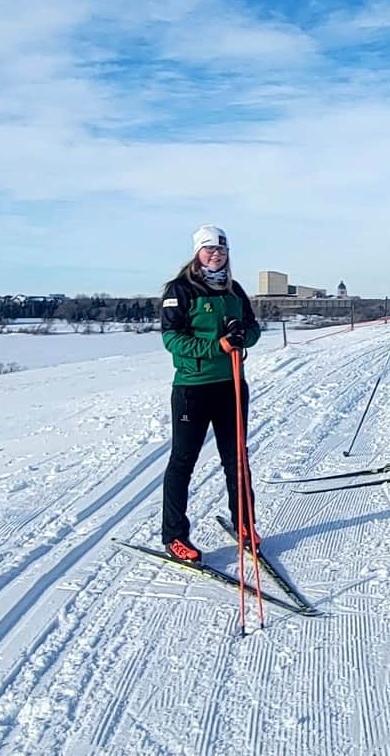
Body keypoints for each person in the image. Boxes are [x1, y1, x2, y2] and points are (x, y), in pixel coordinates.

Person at [158, 224, 263, 562]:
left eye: (221, 250)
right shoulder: (180, 289)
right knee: (183, 461)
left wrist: (242, 335)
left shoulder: (233, 290)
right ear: (197, 252)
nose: (215, 255)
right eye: (209, 250)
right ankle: (174, 535)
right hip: (192, 388)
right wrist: (216, 345)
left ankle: (245, 524)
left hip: (231, 385)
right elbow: (171, 339)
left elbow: (254, 329)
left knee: (237, 459)